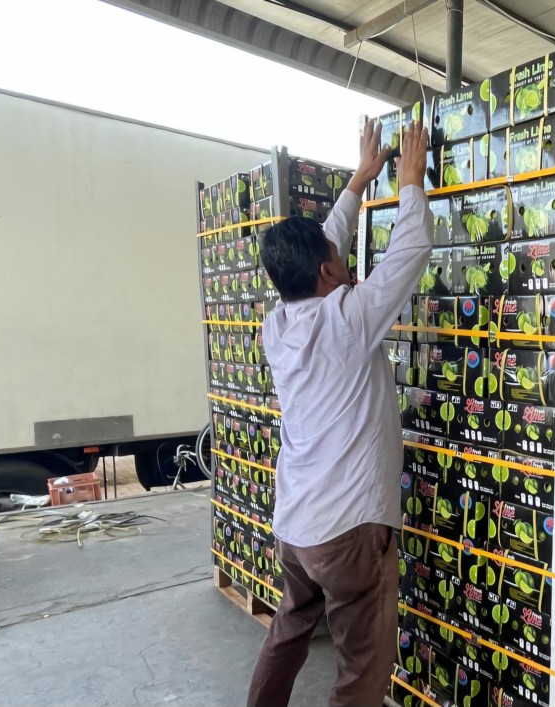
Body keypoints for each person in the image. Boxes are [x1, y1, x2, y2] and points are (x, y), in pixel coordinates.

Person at [246, 120, 431, 707]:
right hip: (348, 531)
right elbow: (410, 252)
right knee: (362, 666)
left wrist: (359, 180)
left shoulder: (278, 324)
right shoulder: (348, 319)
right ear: (328, 273)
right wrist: (409, 181)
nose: (343, 258)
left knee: (288, 631)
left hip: (296, 526)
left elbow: (325, 243)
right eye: (337, 259)